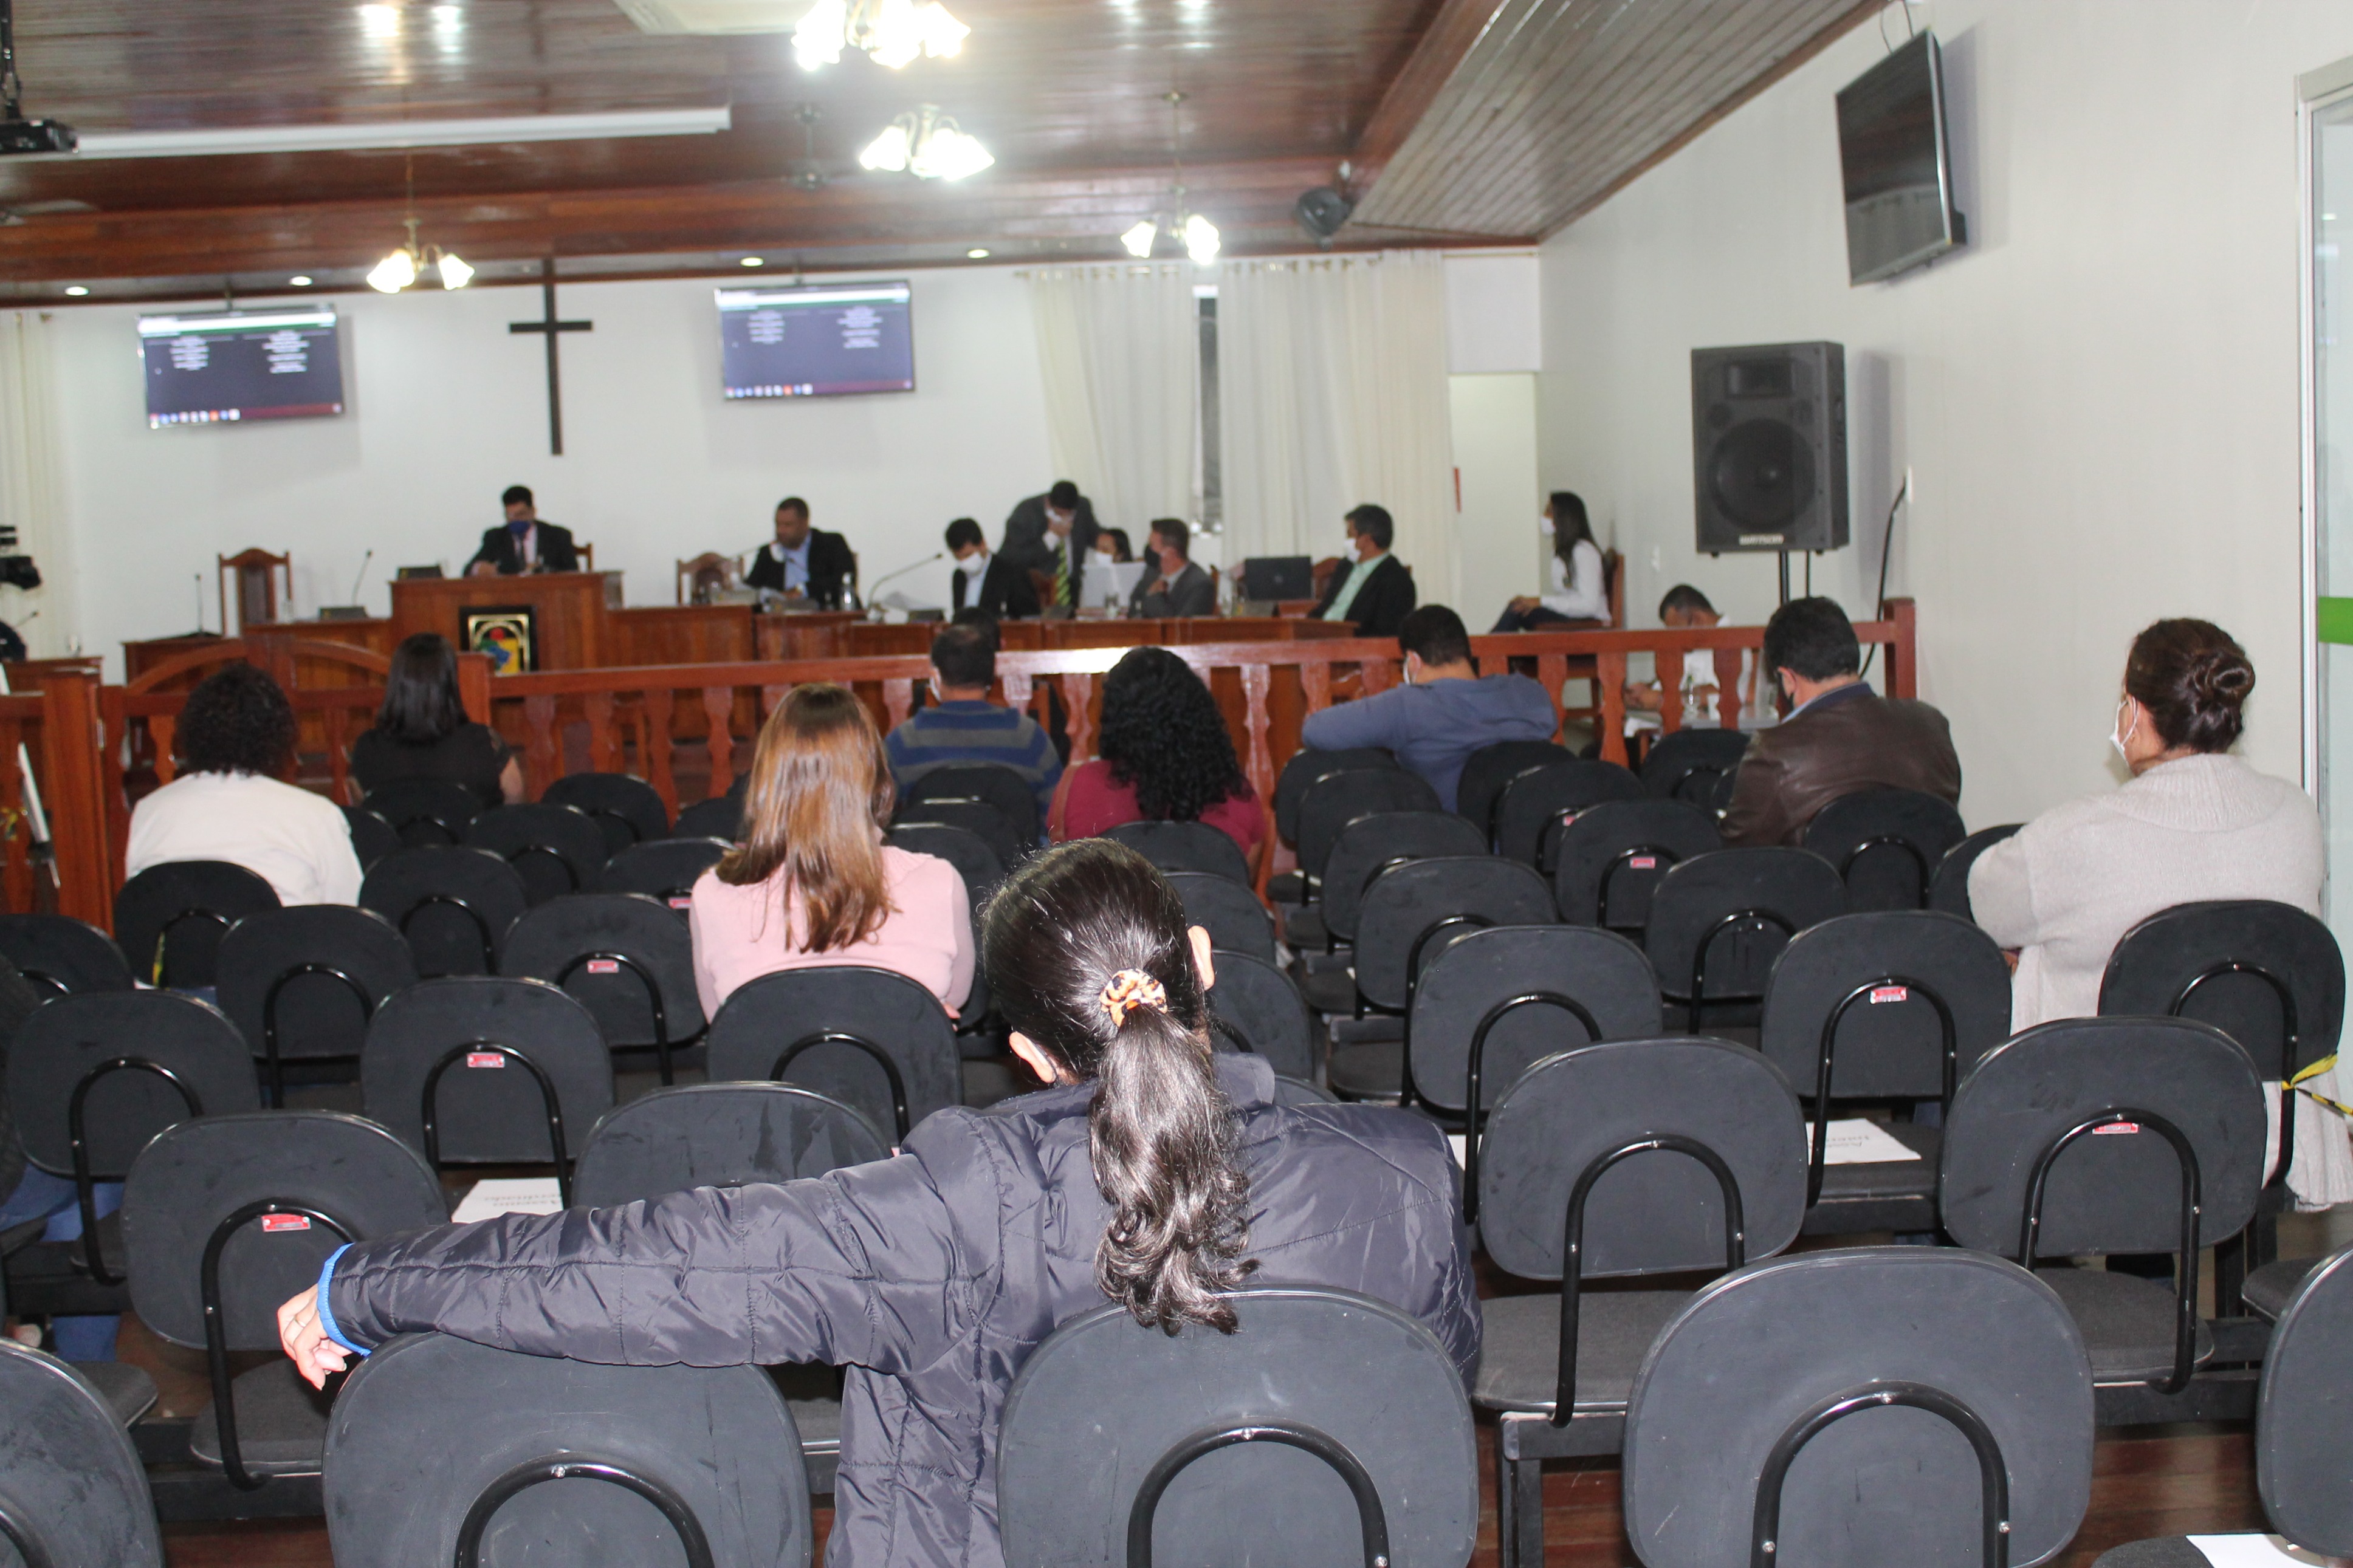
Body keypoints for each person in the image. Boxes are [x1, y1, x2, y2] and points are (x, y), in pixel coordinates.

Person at [275, 840, 1475, 1568]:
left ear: (1025, 1052)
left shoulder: (956, 1201)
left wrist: (369, 1283)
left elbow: (660, 1268)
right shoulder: (1410, 1173)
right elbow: (1426, 1397)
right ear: (1202, 962)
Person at [1973, 620, 2349, 1208]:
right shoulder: (2297, 816)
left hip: (2105, 1130)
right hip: (2259, 1132)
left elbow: (1986, 902)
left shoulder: (2077, 836)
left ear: (2139, 714)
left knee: (2032, 958)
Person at [687, 683, 971, 1017]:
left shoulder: (711, 893)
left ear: (765, 781)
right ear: (877, 778)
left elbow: (721, 1023)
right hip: (897, 1053)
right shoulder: (940, 882)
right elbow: (955, 999)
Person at [1718, 597, 1960, 847]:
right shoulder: (1933, 725)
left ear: (1787, 679)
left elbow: (1735, 855)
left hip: (1820, 875)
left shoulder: (1773, 753)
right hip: (1923, 873)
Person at [125, 663, 363, 906]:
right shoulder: (316, 815)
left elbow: (138, 907)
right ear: (278, 735)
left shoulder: (149, 811)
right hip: (279, 932)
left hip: (182, 932)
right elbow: (350, 913)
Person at [1298, 605, 1559, 813]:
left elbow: (1315, 730)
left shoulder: (1408, 706)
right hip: (1531, 835)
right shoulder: (1529, 693)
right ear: (1466, 652)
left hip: (1454, 844)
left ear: (1413, 661)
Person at [1052, 646, 1267, 861]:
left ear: (1113, 717)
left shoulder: (1079, 785)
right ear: (1199, 713)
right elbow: (1242, 878)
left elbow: (1061, 872)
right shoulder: (1237, 794)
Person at [884, 623, 1062, 830]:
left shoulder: (903, 742)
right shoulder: (1031, 738)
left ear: (936, 676)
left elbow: (881, 817)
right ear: (991, 674)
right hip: (1014, 851)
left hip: (927, 850)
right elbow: (1054, 819)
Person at [348, 634, 524, 809]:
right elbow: (515, 799)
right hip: (471, 828)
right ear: (450, 682)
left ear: (395, 682)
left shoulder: (367, 747)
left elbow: (364, 811)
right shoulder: (483, 742)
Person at [1624, 584, 1754, 724]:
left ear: (1697, 619)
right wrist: (1647, 688)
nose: (1677, 642)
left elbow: (1717, 693)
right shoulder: (1700, 641)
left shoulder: (1730, 641)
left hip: (1708, 730)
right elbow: (1686, 679)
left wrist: (1661, 698)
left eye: (1677, 634)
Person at [1494, 490, 1608, 631]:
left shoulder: (1584, 552)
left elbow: (1589, 605)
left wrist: (1542, 602)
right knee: (1519, 606)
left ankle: (1487, 644)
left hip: (1588, 620)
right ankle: (1489, 644)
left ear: (1563, 518)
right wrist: (1538, 603)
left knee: (1517, 610)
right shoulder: (1563, 553)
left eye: (1549, 512)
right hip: (1572, 615)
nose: (1544, 517)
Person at [1313, 503, 1417, 636]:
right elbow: (1324, 608)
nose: (1347, 541)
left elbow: (1385, 632)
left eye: (1350, 535)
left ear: (1367, 540)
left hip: (1353, 643)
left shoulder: (1397, 580)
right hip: (1319, 636)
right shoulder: (1345, 566)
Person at [1001, 480, 1101, 611]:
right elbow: (1012, 558)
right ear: (1048, 503)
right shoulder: (1026, 513)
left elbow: (1093, 534)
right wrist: (1051, 538)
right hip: (1035, 595)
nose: (1065, 518)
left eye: (1069, 514)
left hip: (1071, 590)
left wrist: (1108, 540)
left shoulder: (1083, 507)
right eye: (1059, 514)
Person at [744, 496, 858, 609]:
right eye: (778, 524)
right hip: (781, 616)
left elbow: (845, 580)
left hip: (825, 613)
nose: (780, 531)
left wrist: (802, 590)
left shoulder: (831, 543)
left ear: (804, 523)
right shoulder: (769, 552)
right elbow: (753, 590)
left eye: (787, 525)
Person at [467, 485, 579, 577]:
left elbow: (573, 572)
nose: (516, 520)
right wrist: (479, 569)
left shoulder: (558, 536)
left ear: (533, 511)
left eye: (521, 514)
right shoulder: (495, 537)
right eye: (510, 516)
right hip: (510, 594)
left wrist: (541, 570)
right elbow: (468, 570)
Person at [946, 516, 1040, 619]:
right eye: (958, 558)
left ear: (982, 544)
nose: (964, 562)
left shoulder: (1012, 573)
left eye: (968, 555)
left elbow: (1030, 618)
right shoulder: (959, 576)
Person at [1127, 517, 1217, 619]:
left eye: (1152, 545)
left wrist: (1155, 596)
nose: (1149, 550)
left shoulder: (1200, 585)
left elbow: (1179, 625)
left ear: (1170, 552)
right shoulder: (1151, 573)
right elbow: (1134, 609)